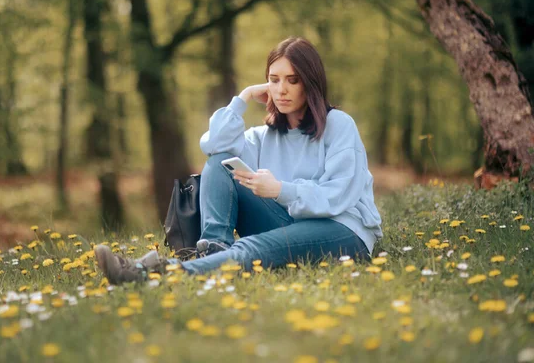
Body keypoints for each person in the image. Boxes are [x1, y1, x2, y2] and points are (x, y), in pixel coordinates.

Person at [95, 37, 383, 285]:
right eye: (274, 80)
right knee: (221, 161)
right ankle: (214, 250)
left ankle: (154, 273)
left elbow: (340, 196)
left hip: (342, 229)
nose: (281, 89)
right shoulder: (263, 135)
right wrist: (242, 99)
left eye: (292, 80)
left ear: (310, 83)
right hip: (287, 222)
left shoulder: (339, 125)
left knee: (254, 247)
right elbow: (214, 147)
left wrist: (281, 189)